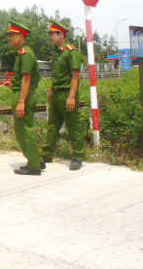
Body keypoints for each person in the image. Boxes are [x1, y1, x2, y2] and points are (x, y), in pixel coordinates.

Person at [41, 20, 86, 170]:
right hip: (56, 93)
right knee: (53, 125)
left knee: (73, 125)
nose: (50, 37)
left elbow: (75, 76)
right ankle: (47, 153)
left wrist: (71, 96)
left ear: (61, 34)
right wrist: (51, 90)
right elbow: (57, 75)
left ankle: (78, 157)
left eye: (52, 34)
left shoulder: (71, 51)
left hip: (67, 93)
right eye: (49, 34)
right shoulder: (56, 52)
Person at [7, 21, 44, 175]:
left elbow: (26, 79)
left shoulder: (26, 54)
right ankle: (36, 160)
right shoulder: (22, 53)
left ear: (20, 36)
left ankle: (34, 166)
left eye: (11, 35)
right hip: (23, 94)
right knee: (24, 129)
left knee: (24, 130)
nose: (9, 38)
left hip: (25, 96)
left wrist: (21, 101)